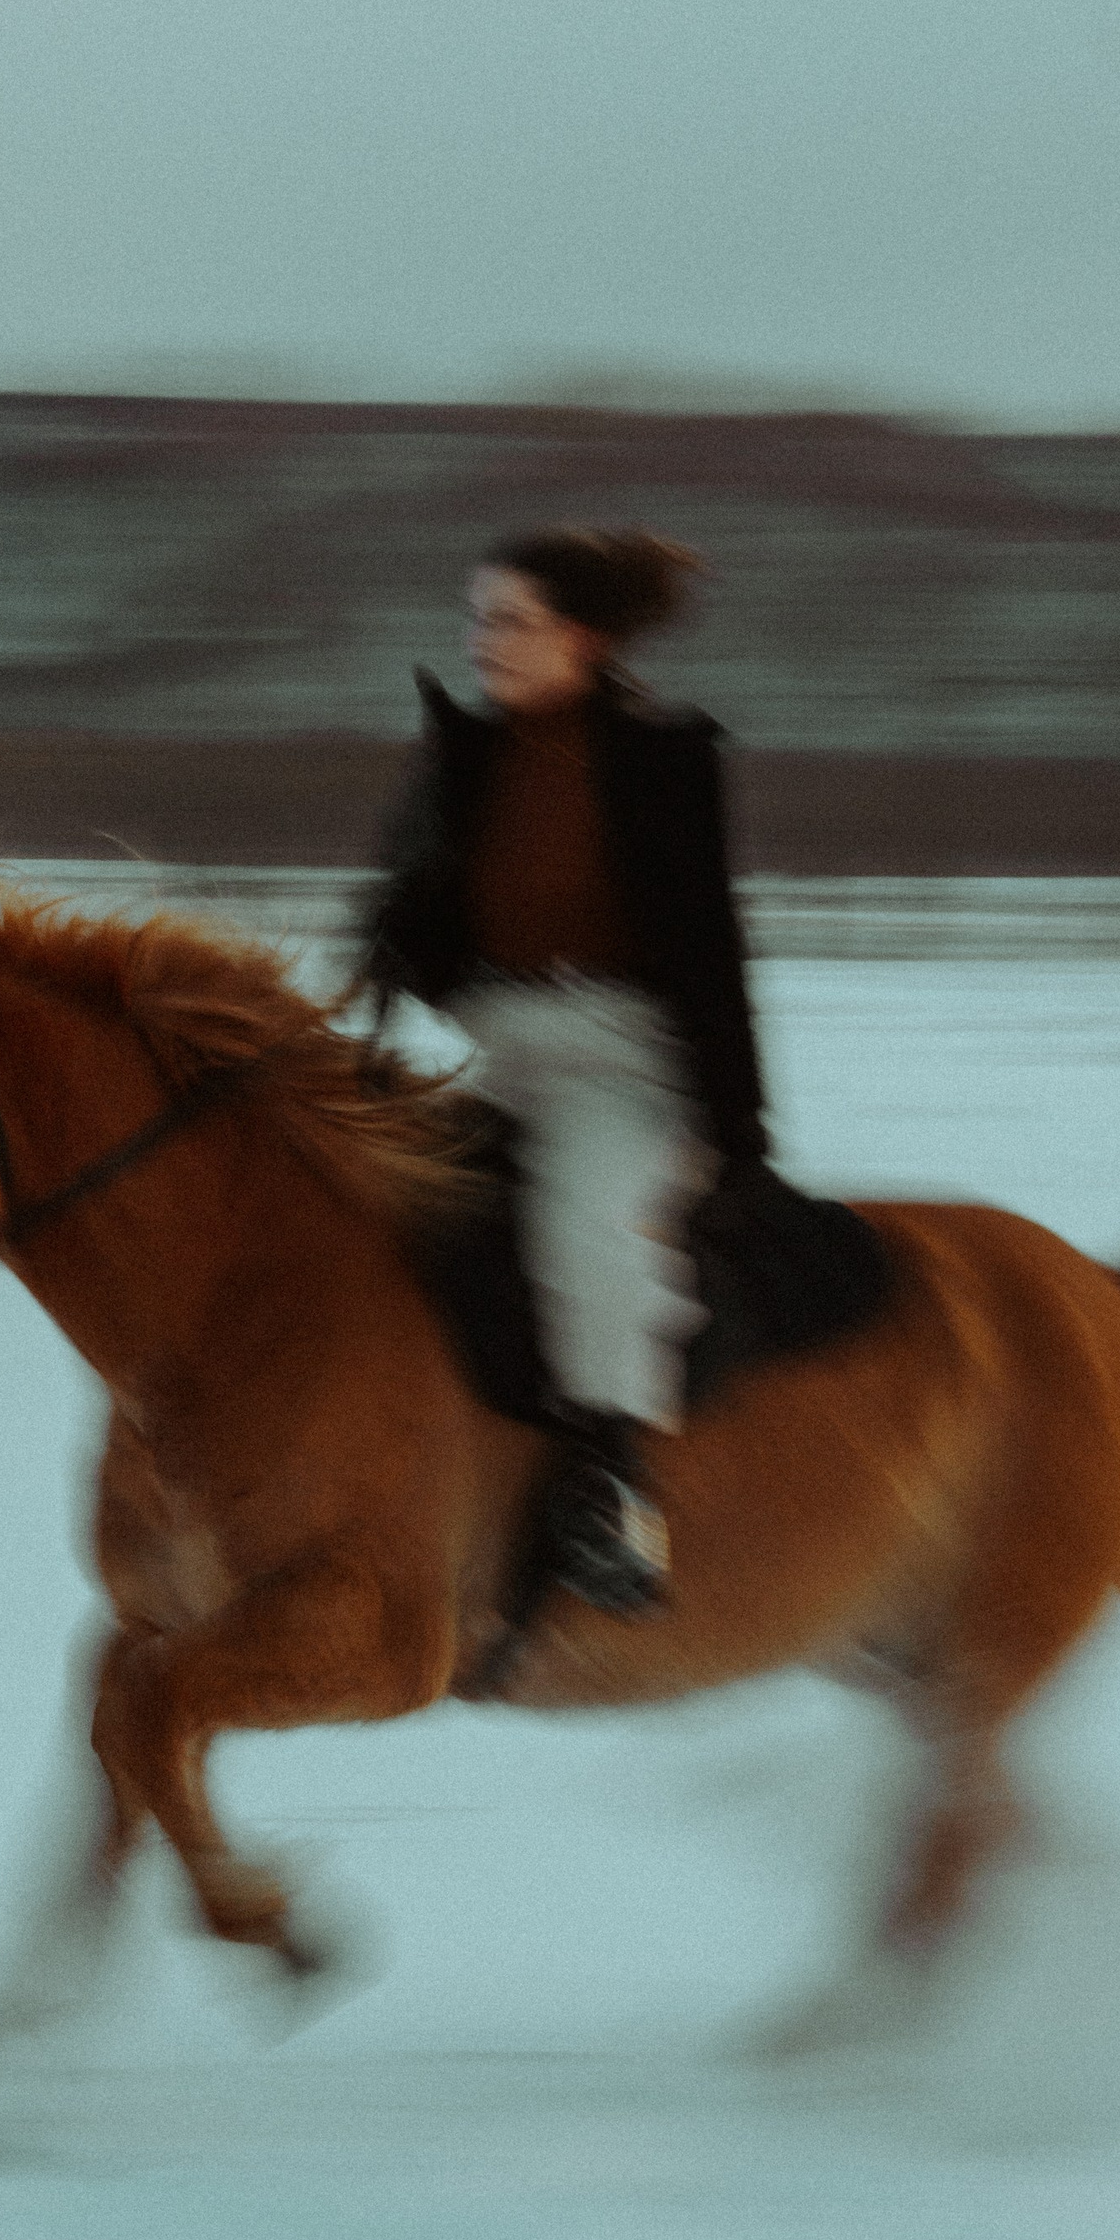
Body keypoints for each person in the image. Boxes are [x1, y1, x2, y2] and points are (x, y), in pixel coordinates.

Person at [356, 527, 766, 1616]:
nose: (480, 640)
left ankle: (610, 1488)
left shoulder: (662, 759)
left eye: (508, 620)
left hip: (623, 1062)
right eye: (475, 617)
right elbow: (419, 917)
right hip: (500, 1049)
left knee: (586, 1235)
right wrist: (401, 936)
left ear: (579, 638)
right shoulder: (464, 753)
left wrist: (742, 1135)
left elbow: (711, 953)